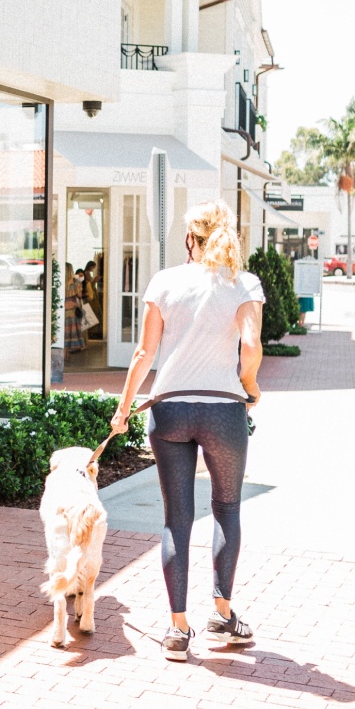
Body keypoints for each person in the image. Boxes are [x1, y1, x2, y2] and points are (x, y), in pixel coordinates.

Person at [108, 201, 264, 662]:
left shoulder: (165, 281)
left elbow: (142, 354)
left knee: (177, 517)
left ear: (191, 240)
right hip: (223, 413)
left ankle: (177, 630)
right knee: (226, 508)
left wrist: (122, 411)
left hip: (169, 410)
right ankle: (223, 613)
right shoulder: (244, 283)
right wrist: (250, 387)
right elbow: (251, 348)